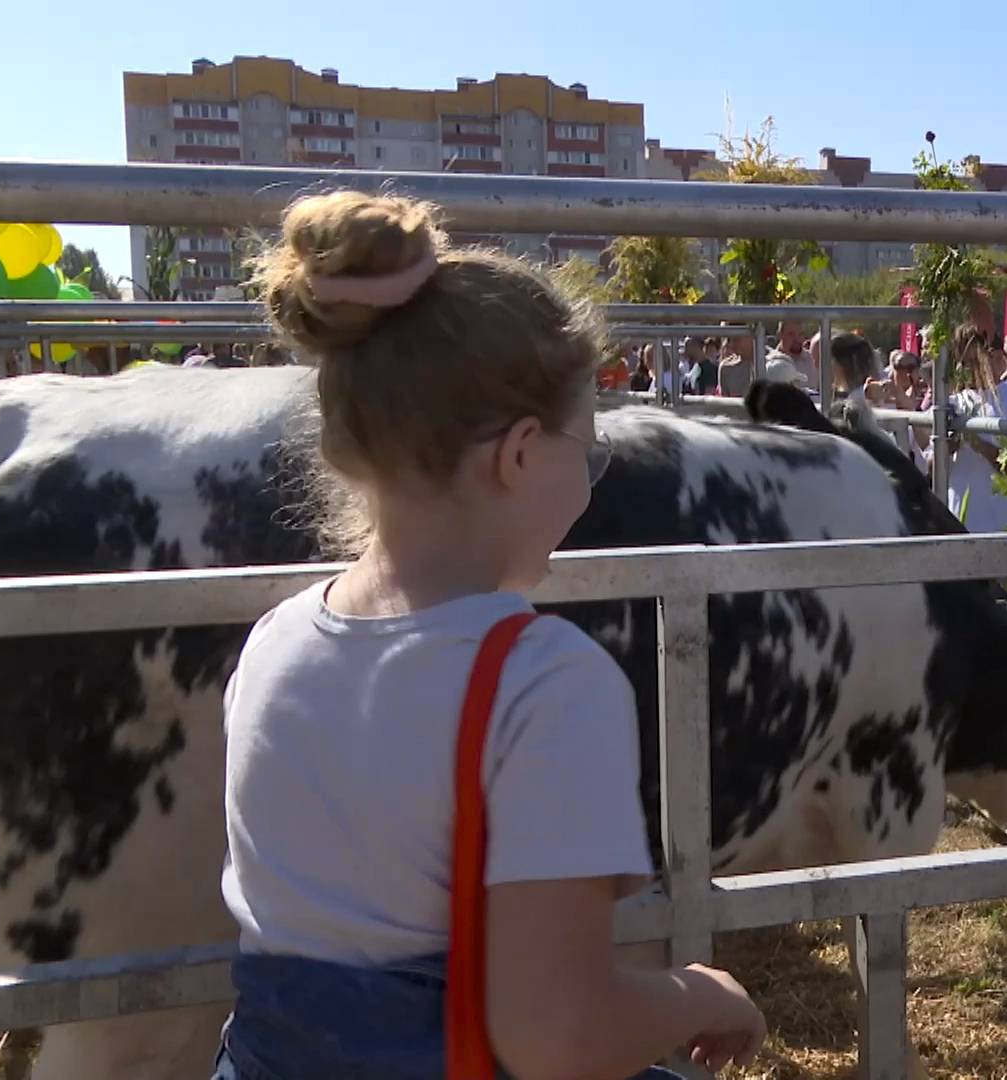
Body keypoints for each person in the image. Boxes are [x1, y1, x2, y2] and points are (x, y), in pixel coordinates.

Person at [216, 190, 765, 1079]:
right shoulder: (544, 684)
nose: (588, 486)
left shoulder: (274, 642)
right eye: (584, 452)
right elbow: (557, 1037)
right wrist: (701, 992)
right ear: (517, 456)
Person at [935, 325, 1007, 532]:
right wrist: (946, 446)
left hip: (1005, 528)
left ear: (994, 357)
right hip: (958, 524)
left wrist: (980, 445)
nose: (964, 369)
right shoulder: (952, 403)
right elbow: (930, 469)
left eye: (972, 361)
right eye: (962, 362)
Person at [715, 330, 757, 398]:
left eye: (736, 339)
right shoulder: (726, 368)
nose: (731, 345)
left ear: (751, 337)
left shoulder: (772, 363)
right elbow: (726, 404)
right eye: (729, 340)